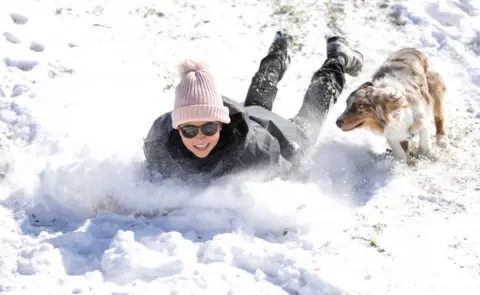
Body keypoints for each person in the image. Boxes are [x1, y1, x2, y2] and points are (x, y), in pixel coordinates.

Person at [143, 30, 363, 183]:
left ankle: (338, 58)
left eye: (208, 128)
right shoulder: (160, 141)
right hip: (247, 120)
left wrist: (298, 169)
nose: (199, 138)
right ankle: (278, 51)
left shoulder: (257, 152)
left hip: (281, 139)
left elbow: (292, 171)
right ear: (177, 128)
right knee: (258, 97)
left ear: (220, 124)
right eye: (189, 131)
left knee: (312, 110)